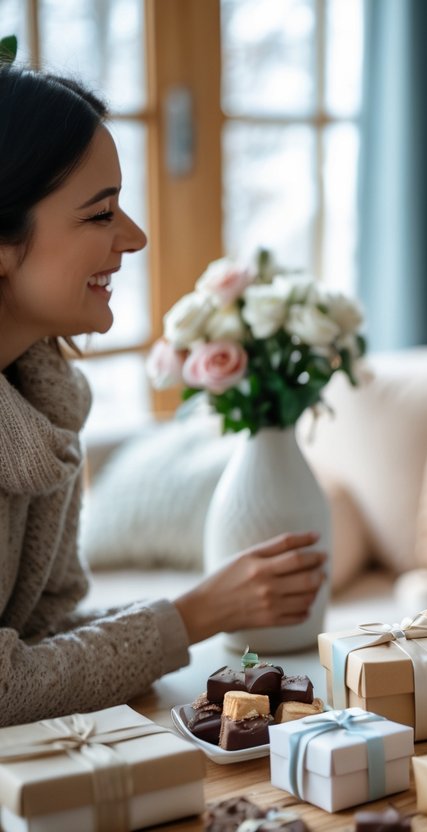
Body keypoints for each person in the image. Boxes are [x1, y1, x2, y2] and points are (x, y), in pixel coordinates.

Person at [0, 64, 326, 727]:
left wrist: (206, 604)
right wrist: (199, 613)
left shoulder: (50, 402)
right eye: (100, 213)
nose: (135, 237)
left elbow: (44, 632)